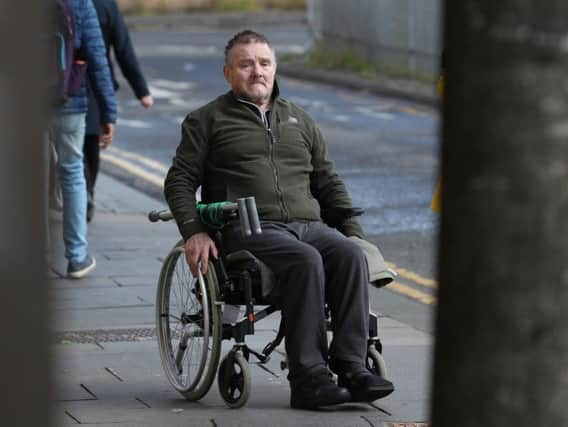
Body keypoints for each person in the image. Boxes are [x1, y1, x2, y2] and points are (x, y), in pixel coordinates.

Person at [164, 30, 394, 409]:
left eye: (264, 63)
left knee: (351, 256)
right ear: (227, 73)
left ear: (274, 68)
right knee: (305, 260)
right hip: (248, 227)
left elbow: (327, 180)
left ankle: (351, 364)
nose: (257, 71)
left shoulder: (299, 120)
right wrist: (194, 231)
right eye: (246, 64)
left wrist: (354, 234)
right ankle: (308, 380)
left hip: (308, 225)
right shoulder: (206, 120)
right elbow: (180, 180)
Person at [47, 0, 117, 278]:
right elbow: (98, 59)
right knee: (73, 171)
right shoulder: (79, 2)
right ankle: (77, 257)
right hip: (68, 102)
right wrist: (108, 113)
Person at [84, 0, 153, 222]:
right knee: (90, 142)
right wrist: (142, 91)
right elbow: (123, 48)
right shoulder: (105, 5)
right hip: (95, 84)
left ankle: (79, 195)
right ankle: (87, 193)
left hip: (61, 84)